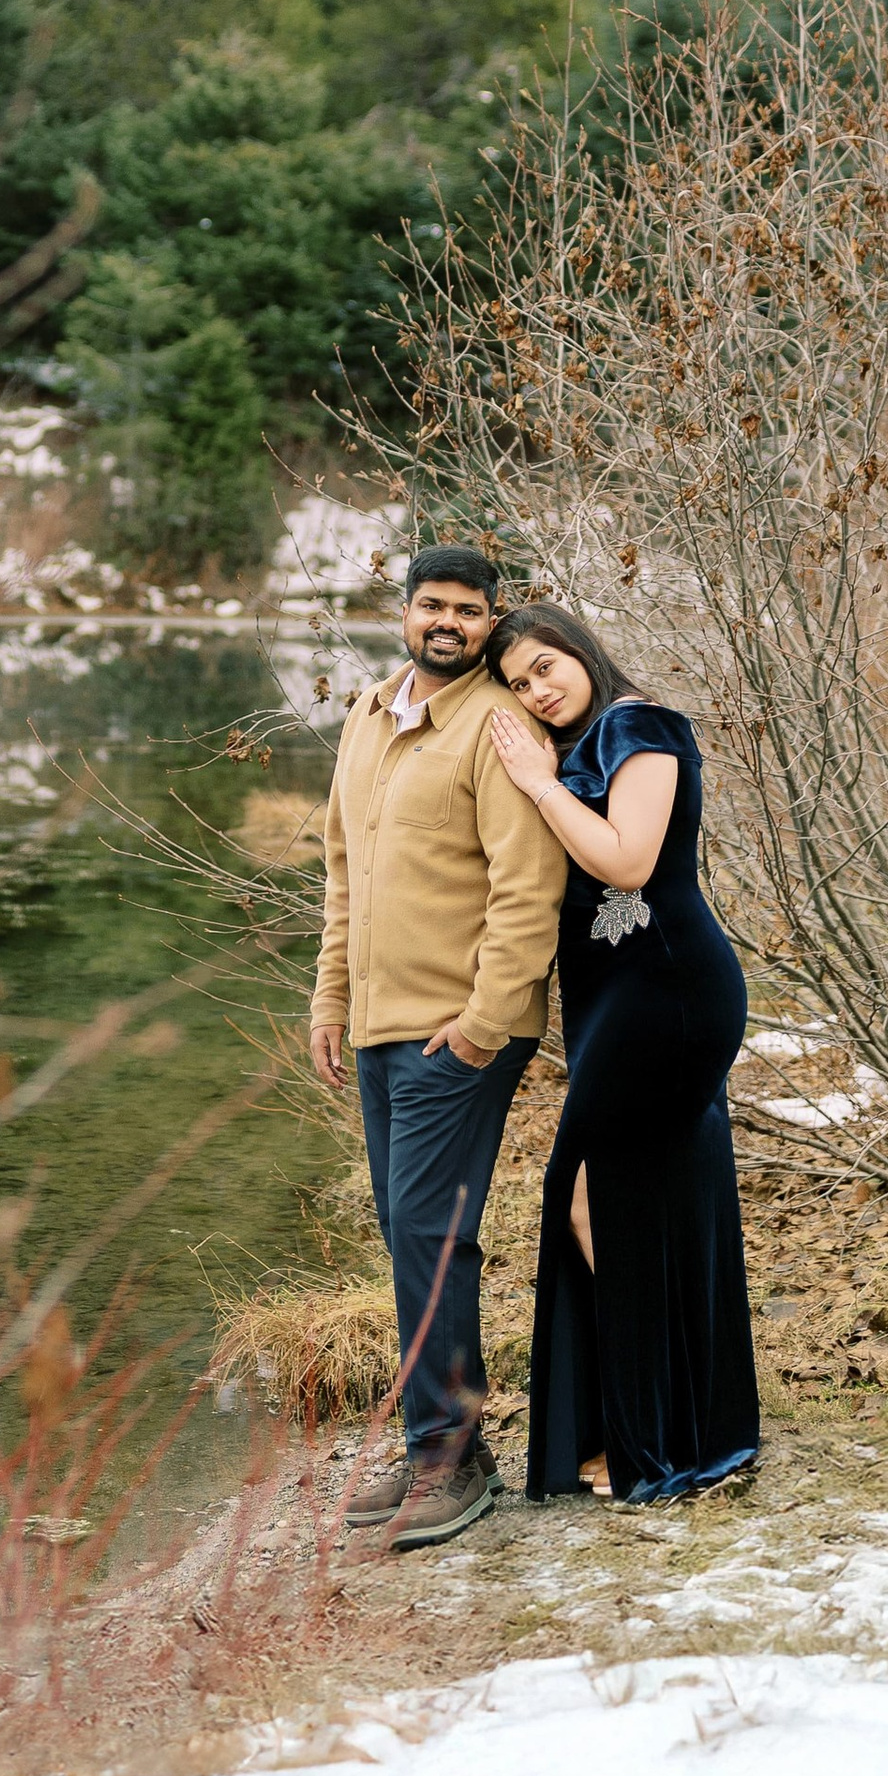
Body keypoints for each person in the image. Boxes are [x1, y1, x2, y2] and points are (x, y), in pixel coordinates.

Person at [309, 543, 563, 1548]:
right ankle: (440, 1444)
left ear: (493, 620)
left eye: (468, 609)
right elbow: (340, 873)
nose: (446, 621)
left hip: (455, 1033)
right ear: (404, 612)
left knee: (427, 1232)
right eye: (431, 605)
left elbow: (525, 890)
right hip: (374, 1024)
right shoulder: (368, 719)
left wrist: (482, 1024)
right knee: (409, 1232)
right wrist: (328, 1001)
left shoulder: (495, 727)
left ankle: (449, 1460)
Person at [483, 600, 759, 1502]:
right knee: (661, 1204)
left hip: (668, 995)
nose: (539, 690)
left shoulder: (638, 724)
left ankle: (655, 1441)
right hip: (617, 1002)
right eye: (520, 684)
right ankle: (688, 1430)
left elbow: (629, 860)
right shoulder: (577, 745)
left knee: (591, 1205)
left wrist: (537, 782)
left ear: (580, 649)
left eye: (545, 667)